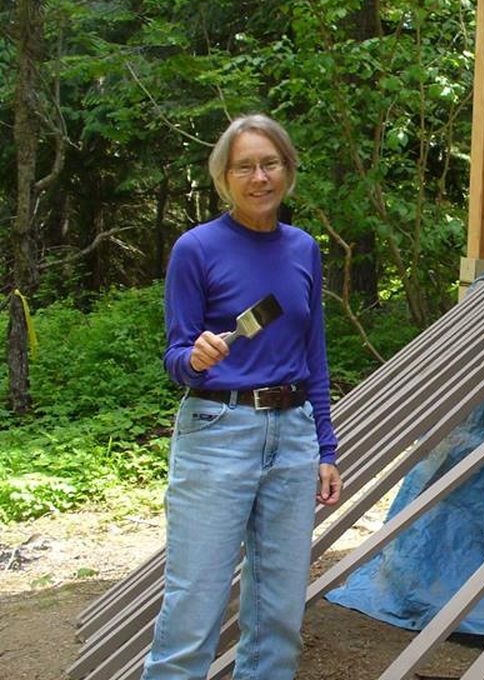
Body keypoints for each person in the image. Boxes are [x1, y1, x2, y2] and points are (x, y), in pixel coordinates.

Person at [143, 114, 342, 679]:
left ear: (288, 172)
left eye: (270, 164)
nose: (259, 177)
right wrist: (195, 358)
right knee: (194, 603)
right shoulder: (196, 248)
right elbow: (176, 358)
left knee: (278, 612)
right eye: (245, 167)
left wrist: (326, 447)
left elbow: (315, 357)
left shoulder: (303, 249)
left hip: (293, 435)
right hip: (217, 432)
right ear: (224, 178)